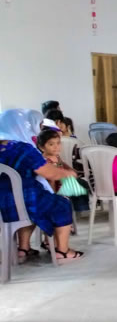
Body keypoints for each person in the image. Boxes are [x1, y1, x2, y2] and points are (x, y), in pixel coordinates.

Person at [0, 110, 84, 263]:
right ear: (20, 126)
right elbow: (50, 173)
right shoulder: (23, 149)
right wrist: (69, 174)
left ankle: (23, 248)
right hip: (25, 200)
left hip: (3, 207)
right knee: (62, 204)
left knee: (31, 208)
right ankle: (63, 251)